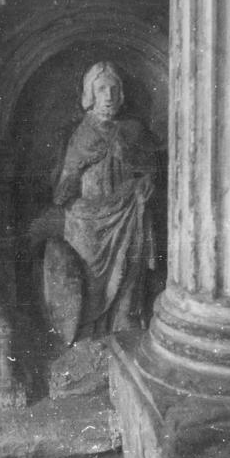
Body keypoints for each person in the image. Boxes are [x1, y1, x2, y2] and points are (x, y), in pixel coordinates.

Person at [53, 61, 160, 337]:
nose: (109, 96)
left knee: (131, 258)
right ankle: (90, 329)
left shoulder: (132, 130)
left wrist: (146, 182)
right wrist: (70, 193)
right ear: (90, 94)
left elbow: (147, 169)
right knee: (88, 272)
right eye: (101, 89)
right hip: (90, 218)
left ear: (121, 94)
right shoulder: (82, 134)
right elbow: (65, 186)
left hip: (126, 210)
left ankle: (124, 320)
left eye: (113, 89)